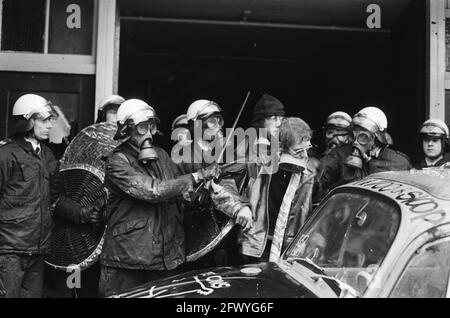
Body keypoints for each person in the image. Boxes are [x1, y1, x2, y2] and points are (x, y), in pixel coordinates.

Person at [98, 99, 222, 297]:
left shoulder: (163, 155)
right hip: (129, 259)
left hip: (167, 257)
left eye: (151, 126)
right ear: (126, 130)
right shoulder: (116, 161)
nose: (148, 133)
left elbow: (178, 194)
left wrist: (200, 197)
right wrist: (195, 176)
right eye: (141, 128)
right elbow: (153, 191)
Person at [178, 99, 253, 268]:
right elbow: (179, 193)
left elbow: (228, 184)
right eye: (211, 120)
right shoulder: (184, 156)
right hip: (193, 234)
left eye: (219, 120)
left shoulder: (223, 153)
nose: (218, 125)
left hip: (221, 233)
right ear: (196, 125)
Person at [0, 94, 59, 297]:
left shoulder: (47, 155)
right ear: (27, 122)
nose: (50, 126)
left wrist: (83, 212)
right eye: (44, 120)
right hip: (9, 252)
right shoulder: (5, 154)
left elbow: (55, 199)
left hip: (37, 249)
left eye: (50, 120)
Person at [238, 117, 315, 263]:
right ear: (280, 147)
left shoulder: (309, 174)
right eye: (299, 151)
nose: (305, 156)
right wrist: (243, 206)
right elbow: (237, 192)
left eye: (308, 149)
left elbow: (311, 210)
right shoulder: (258, 165)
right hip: (257, 241)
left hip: (288, 247)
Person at [317, 107, 411, 200]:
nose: (355, 142)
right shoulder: (339, 155)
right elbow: (318, 185)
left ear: (376, 138)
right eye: (354, 135)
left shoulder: (398, 162)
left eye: (363, 136)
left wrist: (370, 163)